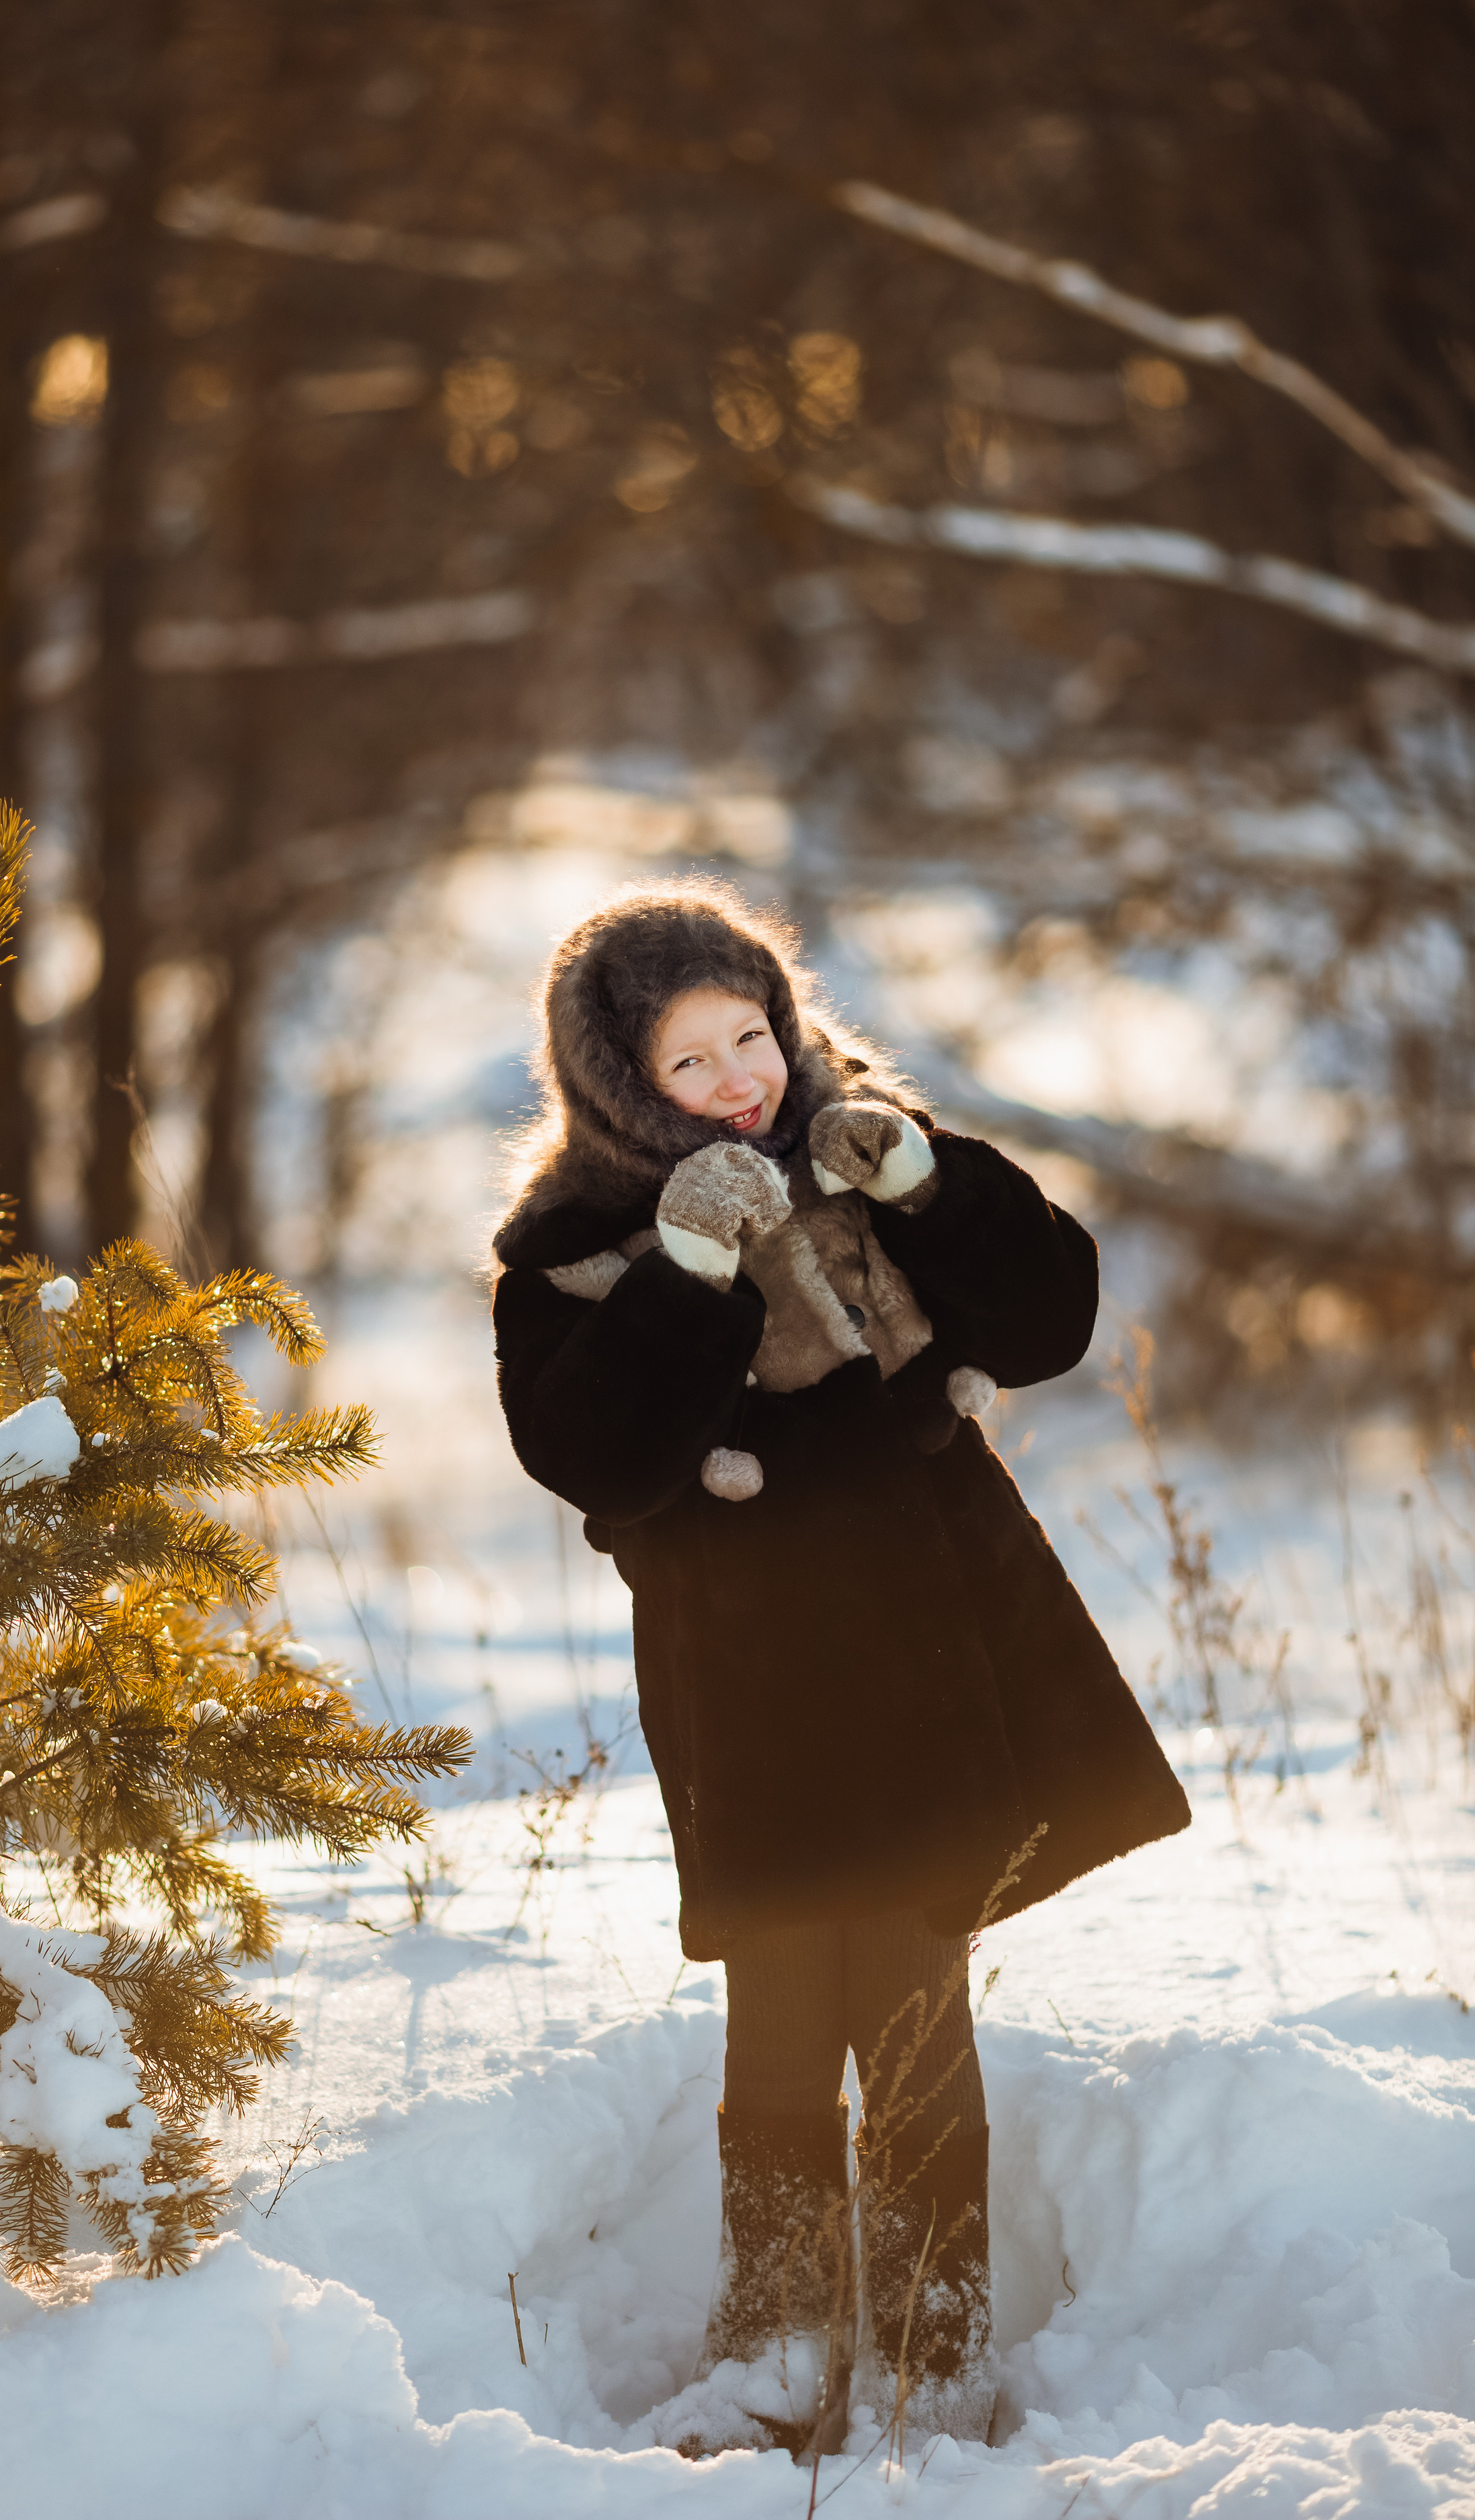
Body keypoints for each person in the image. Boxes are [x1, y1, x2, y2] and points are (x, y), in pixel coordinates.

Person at [489, 879, 1189, 2455]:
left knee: (915, 1991)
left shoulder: (866, 1154)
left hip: (928, 1649)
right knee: (782, 2008)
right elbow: (592, 1454)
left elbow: (1048, 1322)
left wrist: (938, 1188)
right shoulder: (570, 1249)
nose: (742, 1078)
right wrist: (682, 1272)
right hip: (746, 1682)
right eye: (691, 1063)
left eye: (754, 1032)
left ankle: (935, 2344)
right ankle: (782, 2345)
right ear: (617, 1085)